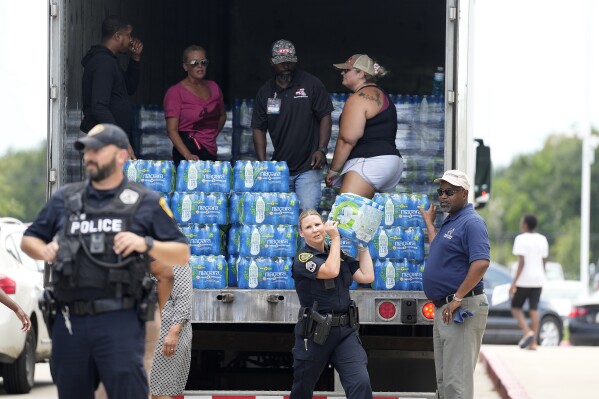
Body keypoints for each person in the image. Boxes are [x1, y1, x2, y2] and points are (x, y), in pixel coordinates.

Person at [21, 123, 190, 399]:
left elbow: (180, 253)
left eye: (97, 150)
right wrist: (45, 250)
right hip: (70, 320)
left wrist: (145, 243)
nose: (89, 156)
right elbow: (29, 239)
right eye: (86, 150)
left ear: (121, 155)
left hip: (120, 319)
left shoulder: (144, 201)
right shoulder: (66, 198)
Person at [418, 170, 490, 399]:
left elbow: (481, 263)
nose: (443, 197)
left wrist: (458, 298)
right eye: (441, 192)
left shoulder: (472, 222)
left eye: (449, 192)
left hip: (461, 308)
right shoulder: (452, 222)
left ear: (464, 193)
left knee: (456, 385)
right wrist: (430, 224)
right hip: (446, 309)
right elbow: (440, 249)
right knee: (446, 382)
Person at [290, 209, 374, 399]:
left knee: (361, 382)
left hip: (345, 332)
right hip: (315, 333)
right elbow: (330, 270)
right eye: (308, 227)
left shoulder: (339, 253)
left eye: (318, 224)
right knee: (303, 388)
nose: (315, 230)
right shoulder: (303, 259)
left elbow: (366, 276)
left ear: (324, 225)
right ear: (301, 233)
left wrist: (363, 246)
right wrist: (335, 239)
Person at [252, 39, 334, 211]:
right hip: (280, 169)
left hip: (309, 166)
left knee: (308, 212)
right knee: (282, 216)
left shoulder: (311, 84)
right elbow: (259, 127)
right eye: (281, 61)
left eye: (289, 60)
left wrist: (322, 149)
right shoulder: (265, 92)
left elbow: (325, 117)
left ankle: (307, 240)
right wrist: (262, 164)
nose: (285, 65)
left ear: (295, 60)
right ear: (272, 62)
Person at [326, 54, 402, 199]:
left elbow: (347, 139)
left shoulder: (358, 98)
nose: (342, 73)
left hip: (369, 162)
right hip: (391, 162)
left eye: (347, 70)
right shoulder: (382, 95)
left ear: (361, 73)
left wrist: (333, 171)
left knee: (346, 214)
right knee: (368, 219)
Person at [80, 15, 143, 159]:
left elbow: (129, 88)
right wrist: (120, 139)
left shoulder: (110, 61)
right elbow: (99, 106)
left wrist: (135, 58)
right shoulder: (103, 63)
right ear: (117, 36)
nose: (131, 39)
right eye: (128, 35)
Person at [164, 45, 226, 166]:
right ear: (185, 66)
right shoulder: (175, 92)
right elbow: (171, 130)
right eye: (194, 63)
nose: (200, 66)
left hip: (210, 150)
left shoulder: (214, 87)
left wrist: (210, 135)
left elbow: (222, 115)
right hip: (187, 152)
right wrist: (187, 155)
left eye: (203, 62)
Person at [150, 264, 192, 399]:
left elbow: (184, 300)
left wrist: (173, 333)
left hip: (167, 332)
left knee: (160, 392)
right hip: (149, 331)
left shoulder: (176, 259)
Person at [510, 214, 549, 350]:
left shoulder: (520, 239)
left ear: (525, 225)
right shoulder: (542, 239)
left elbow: (521, 262)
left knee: (515, 307)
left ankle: (528, 332)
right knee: (534, 309)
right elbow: (544, 261)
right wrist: (542, 277)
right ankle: (533, 343)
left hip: (524, 280)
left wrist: (514, 283)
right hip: (538, 279)